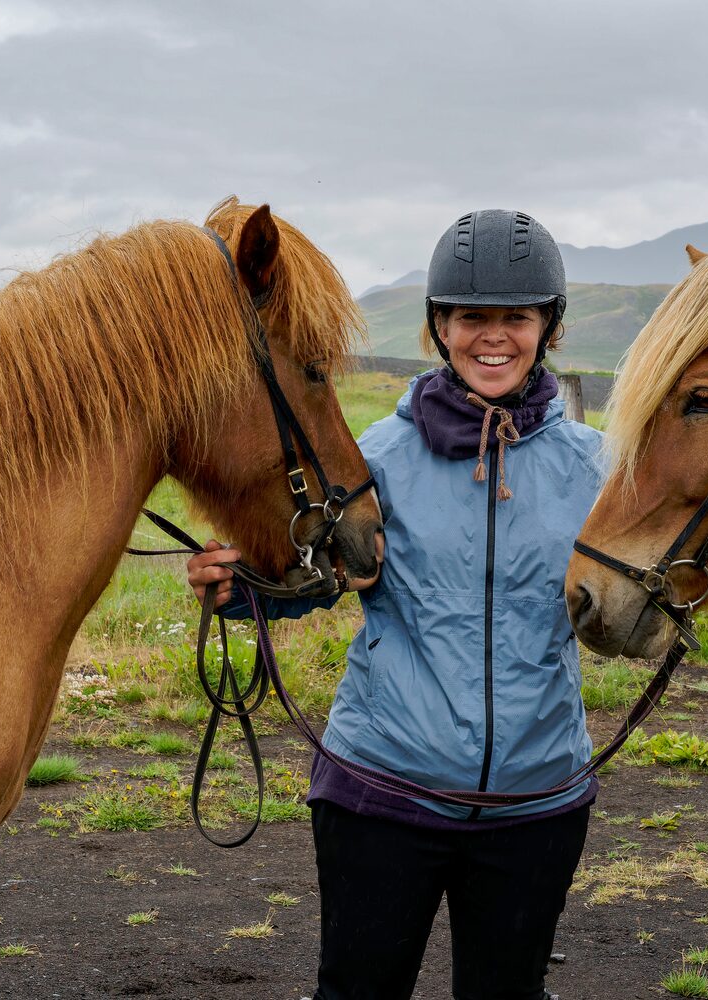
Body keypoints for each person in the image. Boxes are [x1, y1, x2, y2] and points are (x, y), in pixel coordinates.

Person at [186, 209, 605, 1000]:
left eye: (515, 318)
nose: (492, 338)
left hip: (536, 802)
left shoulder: (598, 470)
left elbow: (633, 598)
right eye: (469, 317)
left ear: (547, 328)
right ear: (437, 327)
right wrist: (237, 589)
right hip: (383, 794)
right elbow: (304, 579)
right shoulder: (373, 457)